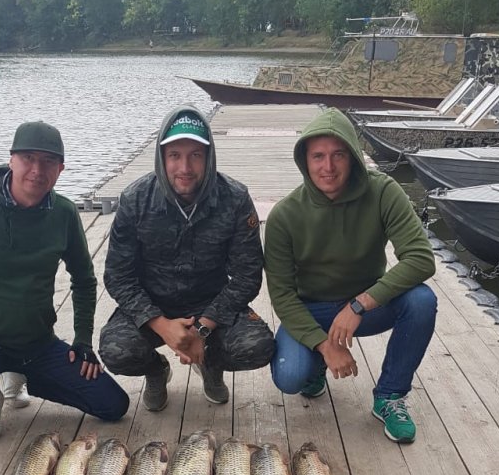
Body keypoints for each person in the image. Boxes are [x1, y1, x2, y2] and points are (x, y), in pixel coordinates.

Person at [0, 121, 129, 444]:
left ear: (60, 169)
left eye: (48, 161)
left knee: (113, 405)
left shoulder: (64, 213)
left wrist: (82, 342)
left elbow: (84, 280)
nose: (37, 170)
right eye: (28, 158)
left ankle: (24, 376)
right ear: (11, 160)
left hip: (37, 343)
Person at [264, 107, 437, 443]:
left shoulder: (383, 191)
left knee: (421, 300)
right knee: (290, 377)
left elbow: (420, 259)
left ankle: (390, 396)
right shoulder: (285, 215)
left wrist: (359, 305)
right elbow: (282, 296)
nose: (328, 167)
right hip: (312, 308)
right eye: (318, 156)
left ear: (354, 157)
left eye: (338, 155)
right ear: (305, 161)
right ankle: (316, 365)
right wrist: (324, 346)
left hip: (366, 307)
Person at [100, 106, 274, 410]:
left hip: (211, 305)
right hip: (152, 304)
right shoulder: (135, 199)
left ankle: (210, 363)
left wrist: (201, 329)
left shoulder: (235, 198)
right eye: (174, 155)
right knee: (117, 351)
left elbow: (247, 276)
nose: (185, 167)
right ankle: (156, 370)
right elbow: (118, 276)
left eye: (196, 155)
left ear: (209, 157)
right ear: (162, 157)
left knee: (257, 347)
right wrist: (161, 325)